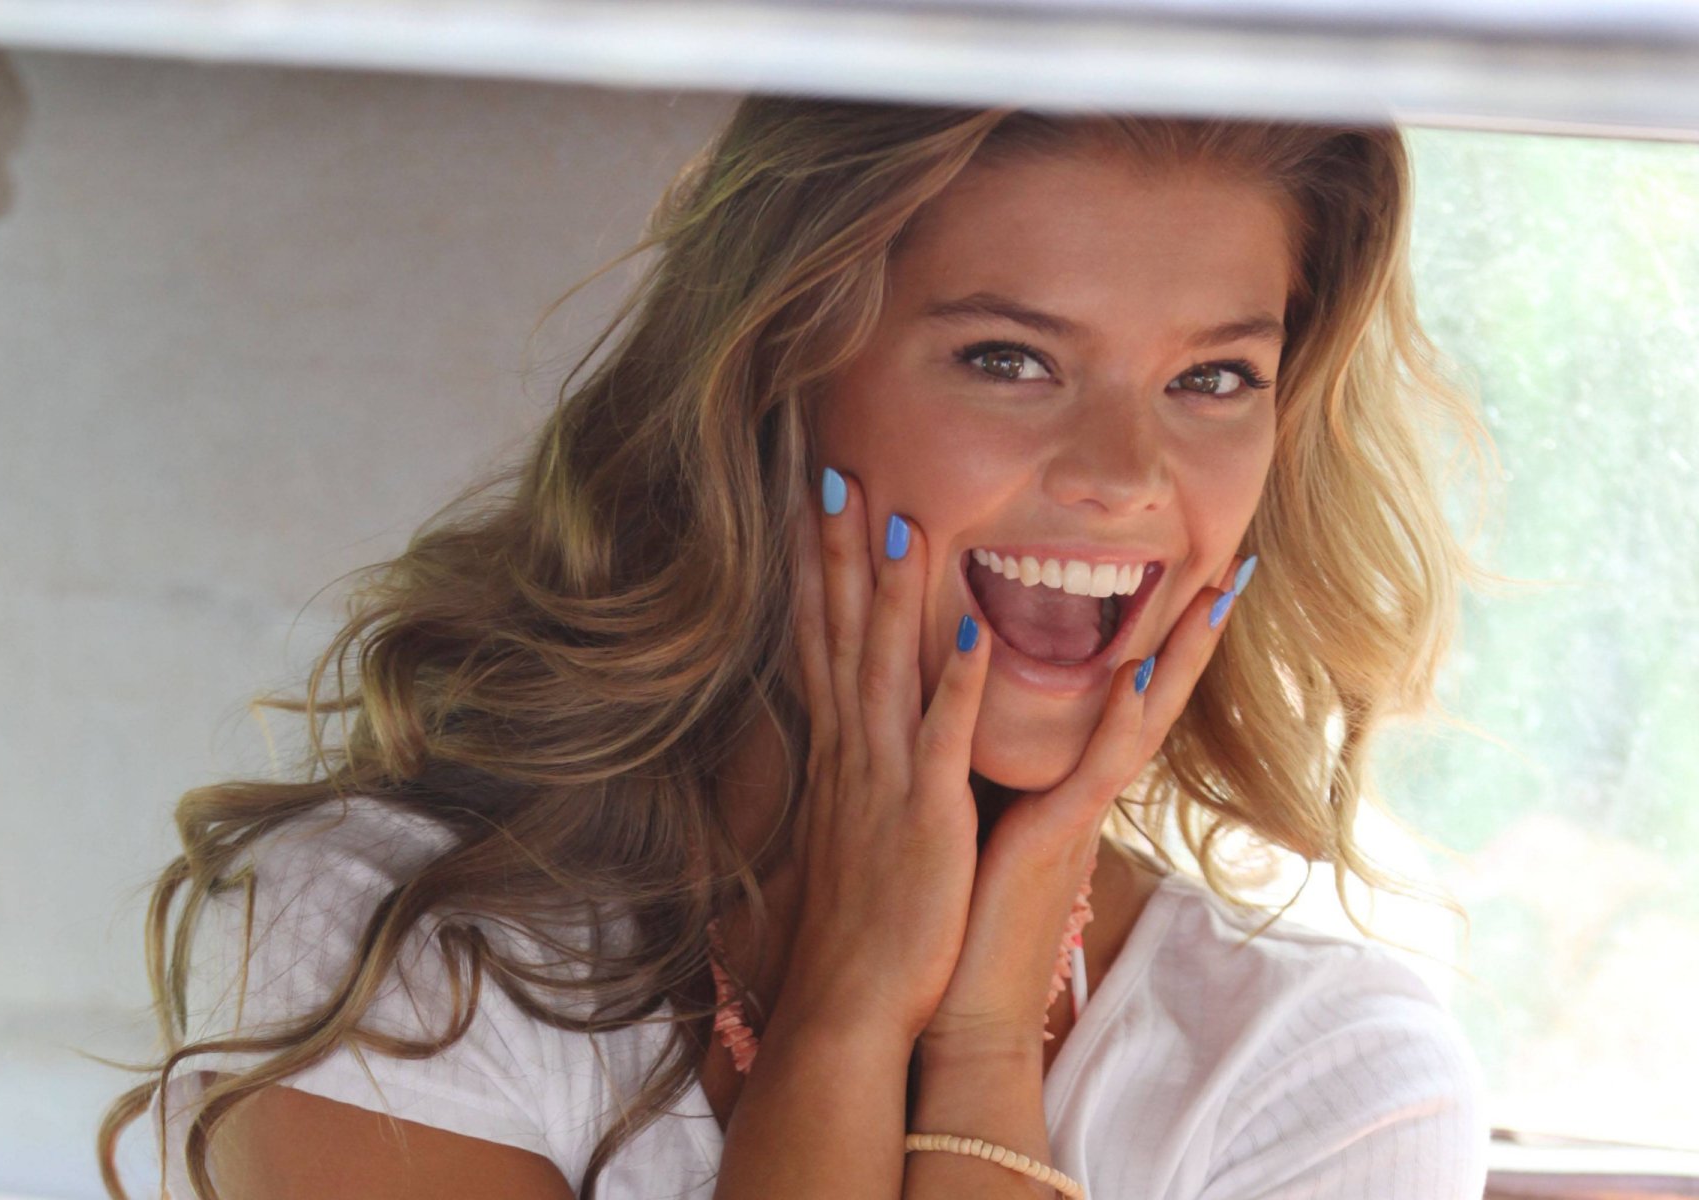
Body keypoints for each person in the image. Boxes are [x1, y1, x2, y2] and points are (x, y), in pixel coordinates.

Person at [98, 96, 1498, 1200]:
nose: (1127, 476)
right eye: (1009, 359)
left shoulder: (1332, 1078)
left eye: (1214, 377)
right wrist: (847, 1013)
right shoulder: (400, 944)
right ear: (774, 385)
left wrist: (985, 1050)